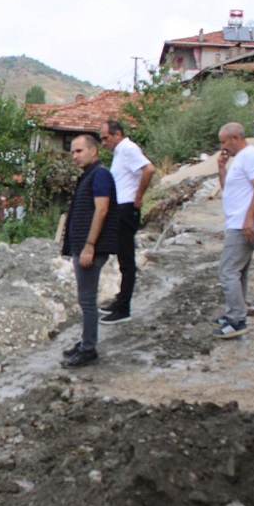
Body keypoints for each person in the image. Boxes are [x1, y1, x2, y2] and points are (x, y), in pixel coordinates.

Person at [60, 134, 120, 368]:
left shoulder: (100, 175)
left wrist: (90, 246)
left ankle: (88, 349)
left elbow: (102, 210)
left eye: (79, 151)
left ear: (93, 151)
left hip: (91, 248)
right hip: (82, 246)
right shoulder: (89, 176)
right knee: (85, 298)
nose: (74, 156)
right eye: (72, 151)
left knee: (87, 300)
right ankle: (86, 342)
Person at [213, 121, 254, 338]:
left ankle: (237, 320)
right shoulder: (239, 159)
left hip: (243, 225)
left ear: (235, 138)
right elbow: (229, 189)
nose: (223, 147)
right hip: (237, 223)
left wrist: (249, 218)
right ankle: (234, 314)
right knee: (238, 272)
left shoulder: (251, 156)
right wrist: (221, 168)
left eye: (224, 142)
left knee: (227, 272)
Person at [98, 119, 155, 324]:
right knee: (122, 258)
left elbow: (149, 169)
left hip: (126, 208)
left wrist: (139, 196)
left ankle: (124, 309)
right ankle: (120, 301)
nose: (104, 142)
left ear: (117, 134)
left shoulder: (128, 149)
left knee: (126, 259)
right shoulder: (120, 151)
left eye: (106, 137)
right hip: (121, 208)